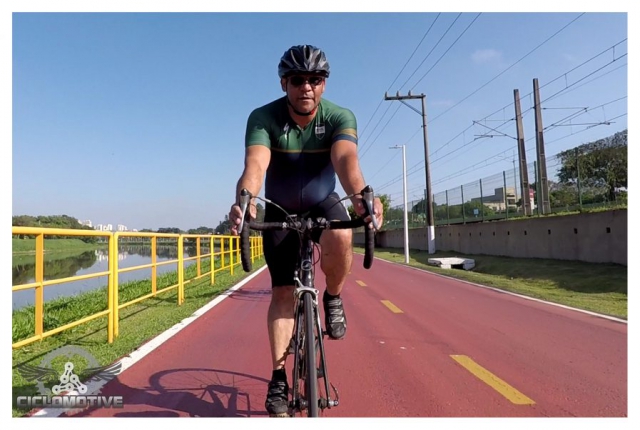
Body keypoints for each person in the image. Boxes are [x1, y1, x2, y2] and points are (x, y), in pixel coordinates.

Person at [228, 44, 383, 417]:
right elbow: (255, 165)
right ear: (284, 83)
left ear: (324, 84)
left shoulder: (339, 117)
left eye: (315, 79)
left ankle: (333, 297)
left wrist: (361, 197)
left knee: (342, 234)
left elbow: (346, 160)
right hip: (279, 209)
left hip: (322, 203)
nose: (307, 87)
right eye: (298, 79)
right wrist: (245, 201)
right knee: (282, 294)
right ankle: (278, 378)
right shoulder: (263, 118)